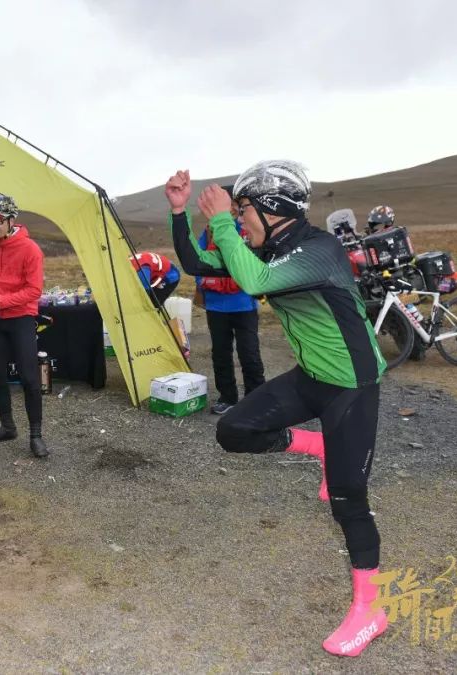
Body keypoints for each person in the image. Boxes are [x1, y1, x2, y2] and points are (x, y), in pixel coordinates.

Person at [166, 161, 388, 657]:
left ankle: (371, 609)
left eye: (243, 209)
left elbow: (254, 282)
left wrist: (223, 223)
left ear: (271, 209)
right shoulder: (271, 248)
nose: (238, 218)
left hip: (351, 384)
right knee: (234, 429)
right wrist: (180, 213)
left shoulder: (319, 251)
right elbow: (198, 265)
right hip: (313, 377)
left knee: (349, 499)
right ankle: (319, 447)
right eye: (238, 211)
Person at [0, 193, 50, 458]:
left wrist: (0, 301)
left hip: (22, 318)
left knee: (29, 378)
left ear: (10, 220)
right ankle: (8, 427)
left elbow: (34, 291)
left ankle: (36, 436)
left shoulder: (30, 249)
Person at [194, 193, 265, 415]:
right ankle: (227, 398)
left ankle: (256, 398)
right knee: (221, 354)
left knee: (249, 353)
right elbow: (197, 260)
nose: (233, 209)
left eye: (235, 205)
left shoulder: (247, 230)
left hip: (244, 305)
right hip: (216, 307)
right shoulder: (209, 231)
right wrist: (202, 283)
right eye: (229, 205)